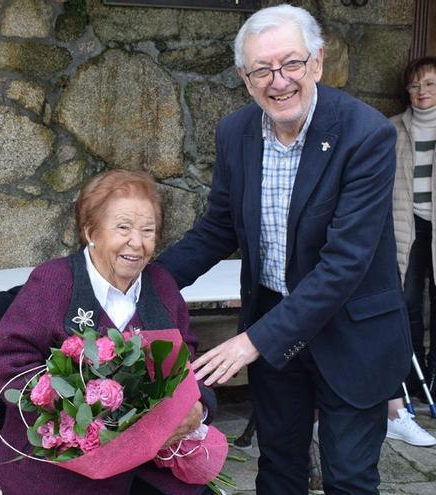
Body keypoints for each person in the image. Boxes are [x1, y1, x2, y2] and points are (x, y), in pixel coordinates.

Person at [155, 5, 412, 494]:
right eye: (262, 70)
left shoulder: (366, 135)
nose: (279, 81)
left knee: (350, 479)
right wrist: (144, 282)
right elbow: (218, 227)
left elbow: (344, 266)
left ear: (316, 62)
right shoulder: (236, 133)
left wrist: (252, 342)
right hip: (274, 322)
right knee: (278, 469)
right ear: (244, 78)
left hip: (351, 331)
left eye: (291, 63)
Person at [0, 170, 216, 495]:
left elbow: (189, 364)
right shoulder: (54, 283)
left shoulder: (161, 285)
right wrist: (73, 412)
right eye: (123, 228)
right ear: (91, 230)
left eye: (148, 231)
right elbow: (8, 364)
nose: (136, 243)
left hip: (151, 464)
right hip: (64, 469)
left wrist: (198, 407)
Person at [383, 56, 436, 447]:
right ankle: (409, 382)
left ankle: (435, 378)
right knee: (406, 304)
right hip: (406, 224)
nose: (421, 92)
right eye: (416, 86)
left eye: (430, 85)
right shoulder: (392, 129)